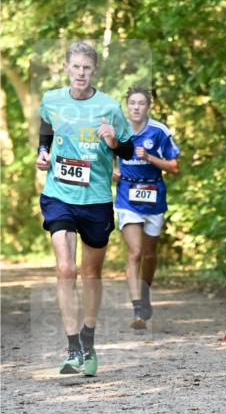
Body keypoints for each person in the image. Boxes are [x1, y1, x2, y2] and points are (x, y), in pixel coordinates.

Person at [36, 40, 134, 376]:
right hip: (59, 194)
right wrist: (43, 152)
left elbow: (129, 149)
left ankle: (89, 343)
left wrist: (112, 142)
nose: (81, 73)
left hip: (96, 200)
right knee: (66, 269)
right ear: (66, 68)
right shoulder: (51, 100)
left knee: (91, 273)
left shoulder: (109, 106)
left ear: (94, 71)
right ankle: (72, 348)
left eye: (87, 68)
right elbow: (46, 128)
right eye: (75, 66)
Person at [113, 86, 180, 329]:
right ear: (126, 105)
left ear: (148, 106)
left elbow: (174, 167)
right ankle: (137, 307)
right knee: (135, 252)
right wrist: (112, 171)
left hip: (154, 196)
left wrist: (150, 158)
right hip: (126, 197)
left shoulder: (159, 131)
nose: (136, 107)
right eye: (132, 103)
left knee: (150, 255)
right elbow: (104, 155)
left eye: (141, 103)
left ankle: (145, 292)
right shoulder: (118, 131)